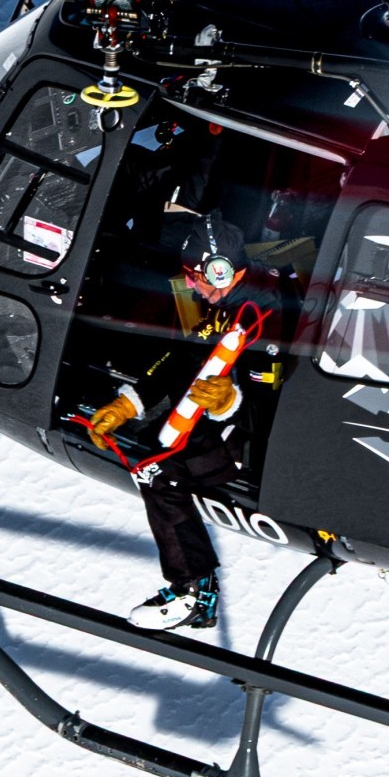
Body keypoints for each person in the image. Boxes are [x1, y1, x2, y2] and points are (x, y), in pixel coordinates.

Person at [86, 210, 298, 631]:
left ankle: (193, 591)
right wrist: (128, 404)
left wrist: (228, 402)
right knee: (154, 445)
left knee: (157, 473)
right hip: (235, 424)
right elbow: (181, 359)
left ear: (219, 272)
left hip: (262, 445)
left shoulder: (267, 316)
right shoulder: (225, 306)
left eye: (195, 276)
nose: (190, 284)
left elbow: (274, 404)